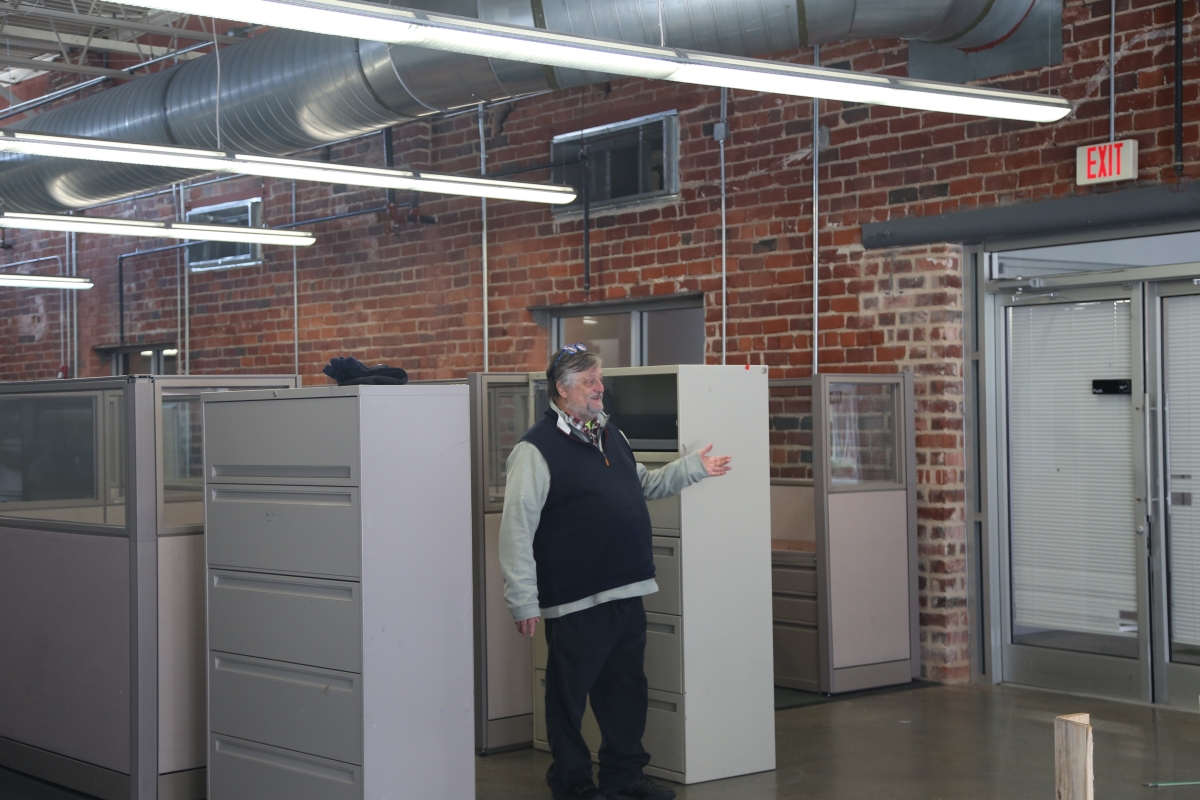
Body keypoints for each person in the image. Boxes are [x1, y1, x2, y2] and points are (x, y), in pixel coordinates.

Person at [499, 344, 732, 800]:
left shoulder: (611, 435)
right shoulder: (535, 449)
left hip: (627, 589)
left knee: (625, 692)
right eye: (590, 381)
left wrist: (692, 469)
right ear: (563, 391)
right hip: (577, 598)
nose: (601, 389)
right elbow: (516, 530)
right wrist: (522, 599)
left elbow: (642, 484)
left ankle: (624, 778)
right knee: (569, 699)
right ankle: (572, 785)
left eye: (600, 379)